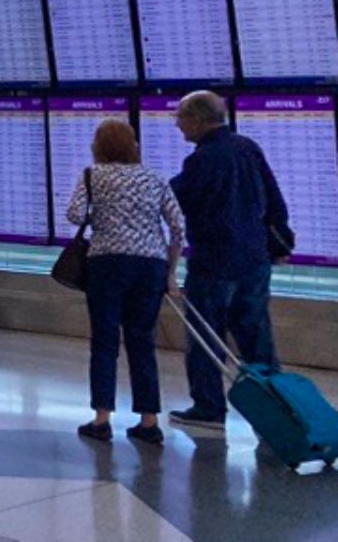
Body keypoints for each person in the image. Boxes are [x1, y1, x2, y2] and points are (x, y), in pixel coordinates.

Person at [168, 90, 291, 432]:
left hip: (214, 262)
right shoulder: (247, 148)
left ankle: (209, 407)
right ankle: (275, 408)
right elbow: (275, 201)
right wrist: (279, 242)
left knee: (207, 337)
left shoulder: (202, 160)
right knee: (256, 338)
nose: (178, 125)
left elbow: (176, 199)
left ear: (197, 119)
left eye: (180, 117)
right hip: (254, 260)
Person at [67, 119, 185, 445]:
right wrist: (170, 270)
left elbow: (75, 215)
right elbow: (177, 225)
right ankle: (149, 421)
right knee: (141, 341)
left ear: (98, 146)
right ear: (133, 144)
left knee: (104, 339)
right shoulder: (154, 177)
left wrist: (104, 216)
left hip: (105, 264)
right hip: (149, 265)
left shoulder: (93, 175)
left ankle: (102, 418)